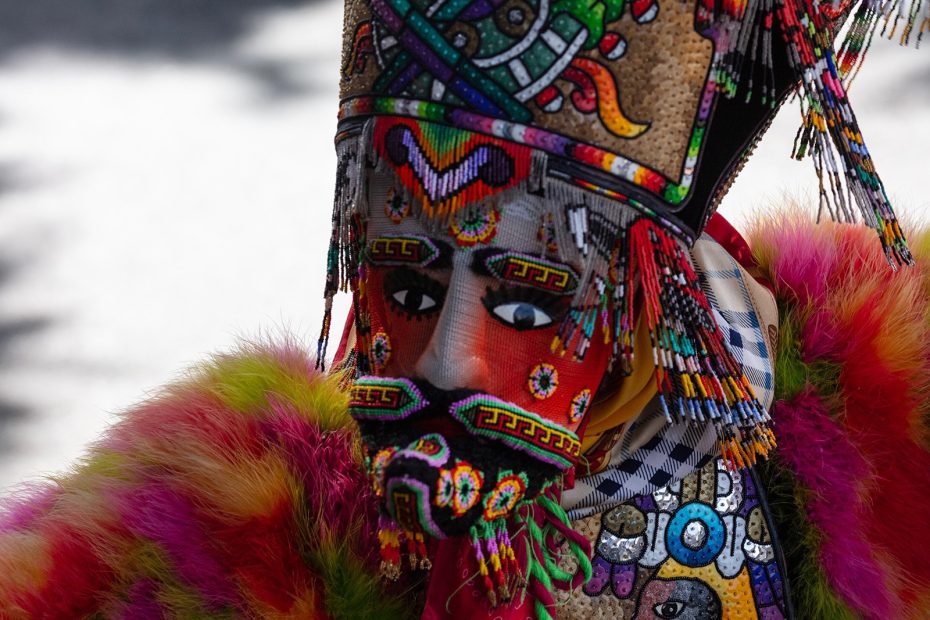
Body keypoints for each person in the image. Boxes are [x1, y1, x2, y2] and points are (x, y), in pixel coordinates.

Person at [2, 0, 929, 617]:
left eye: (528, 303)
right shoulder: (240, 517)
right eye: (406, 289)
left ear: (658, 288)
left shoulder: (888, 414)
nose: (447, 365)